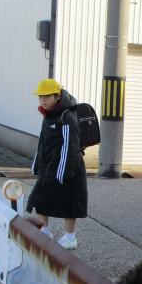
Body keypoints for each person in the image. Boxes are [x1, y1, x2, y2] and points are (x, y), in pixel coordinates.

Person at [25, 78, 87, 249]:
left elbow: (70, 146)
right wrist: (36, 165)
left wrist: (62, 173)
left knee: (70, 201)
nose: (42, 100)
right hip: (49, 165)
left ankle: (70, 237)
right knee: (40, 198)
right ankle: (44, 231)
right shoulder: (48, 114)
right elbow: (42, 142)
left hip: (67, 166)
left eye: (46, 96)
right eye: (40, 96)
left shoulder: (66, 116)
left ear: (57, 96)